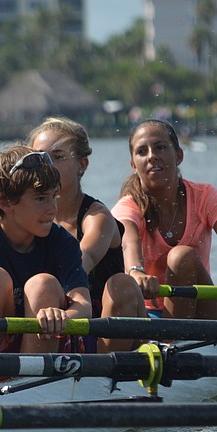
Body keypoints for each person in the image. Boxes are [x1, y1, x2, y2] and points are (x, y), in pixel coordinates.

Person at [111, 119, 217, 319]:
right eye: (142, 152)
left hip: (202, 311)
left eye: (160, 148)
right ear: (133, 165)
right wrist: (136, 271)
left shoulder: (205, 196)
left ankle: (172, 340)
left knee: (181, 257)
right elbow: (128, 243)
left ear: (179, 156)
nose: (152, 156)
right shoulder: (128, 207)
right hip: (150, 314)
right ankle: (170, 341)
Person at [28, 116, 145, 351]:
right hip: (54, 325)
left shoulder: (97, 217)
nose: (47, 166)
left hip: (104, 334)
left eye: (58, 157)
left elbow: (81, 262)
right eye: (40, 158)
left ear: (82, 165)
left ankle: (106, 376)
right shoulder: (24, 217)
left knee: (122, 284)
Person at [0, 145, 91, 354]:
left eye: (54, 196)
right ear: (5, 202)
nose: (52, 208)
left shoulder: (62, 242)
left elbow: (84, 306)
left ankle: (32, 376)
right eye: (40, 198)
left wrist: (61, 317)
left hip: (48, 341)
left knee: (42, 285)